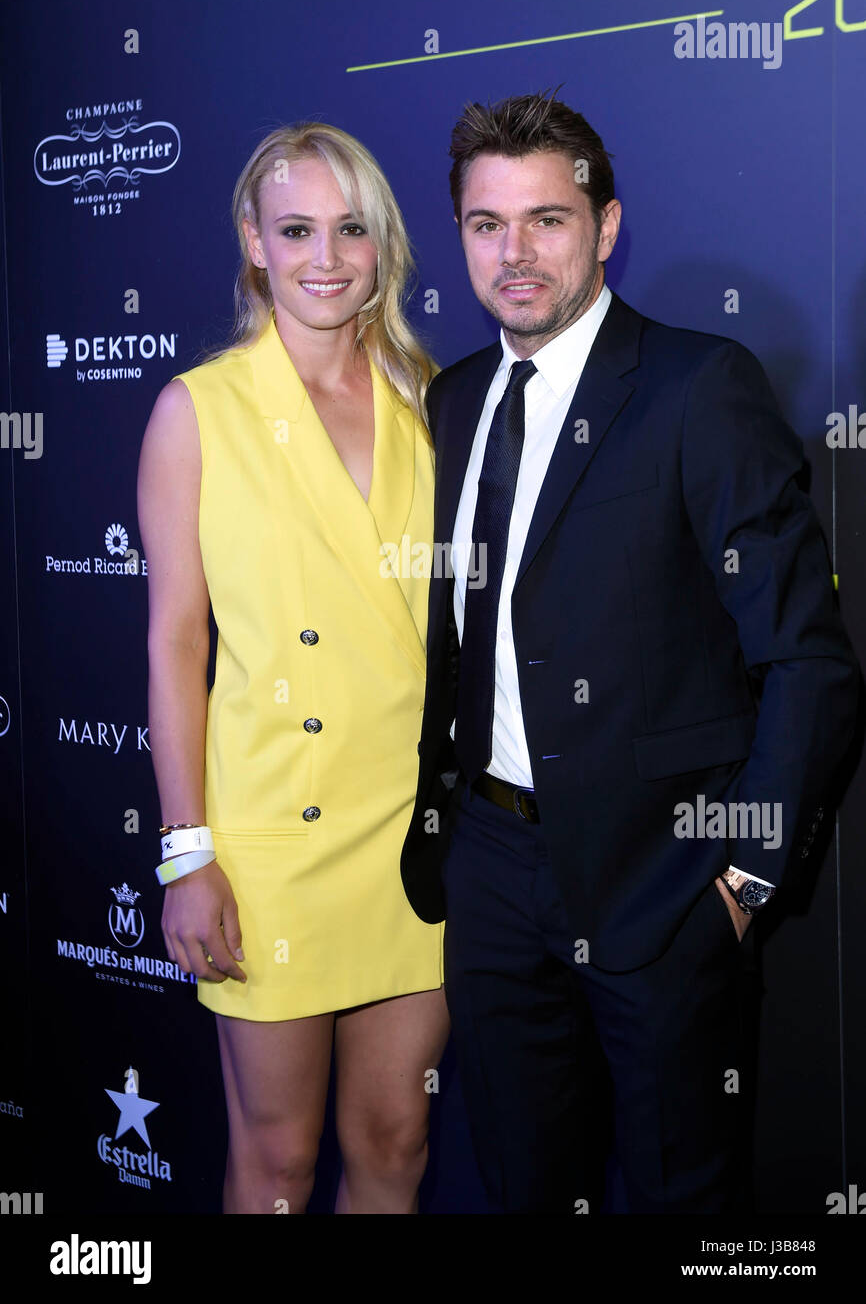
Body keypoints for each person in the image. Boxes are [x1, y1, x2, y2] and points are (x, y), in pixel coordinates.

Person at [401, 90, 860, 1214]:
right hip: (491, 870)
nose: (513, 253)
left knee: (679, 1193)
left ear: (605, 227)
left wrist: (742, 879)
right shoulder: (452, 399)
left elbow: (805, 659)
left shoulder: (696, 387)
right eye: (483, 224)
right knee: (523, 1183)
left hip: (662, 880)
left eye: (546, 220)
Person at [138, 122, 449, 1214]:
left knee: (396, 1139)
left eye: (351, 228)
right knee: (273, 1164)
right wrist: (188, 855)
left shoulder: (432, 401)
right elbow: (177, 642)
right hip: (271, 843)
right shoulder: (199, 410)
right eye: (298, 228)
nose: (327, 255)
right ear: (253, 242)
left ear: (381, 245)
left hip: (412, 840)